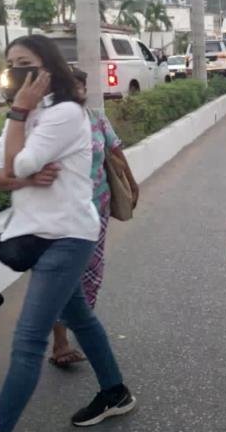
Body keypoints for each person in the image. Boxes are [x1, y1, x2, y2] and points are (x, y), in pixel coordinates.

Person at [0, 35, 134, 431]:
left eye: (25, 63)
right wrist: (22, 179)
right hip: (36, 236)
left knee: (28, 341)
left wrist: (18, 160)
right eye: (11, 63)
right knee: (78, 315)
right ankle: (115, 391)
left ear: (49, 67)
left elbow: (19, 162)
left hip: (66, 237)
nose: (16, 71)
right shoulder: (25, 116)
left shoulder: (65, 113)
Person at [50, 68, 139, 368]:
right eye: (69, 86)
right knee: (64, 276)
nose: (76, 92)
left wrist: (131, 182)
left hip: (97, 209)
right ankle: (60, 343)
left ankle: (81, 324)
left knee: (92, 273)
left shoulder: (97, 117)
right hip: (63, 215)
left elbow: (115, 150)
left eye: (79, 86)